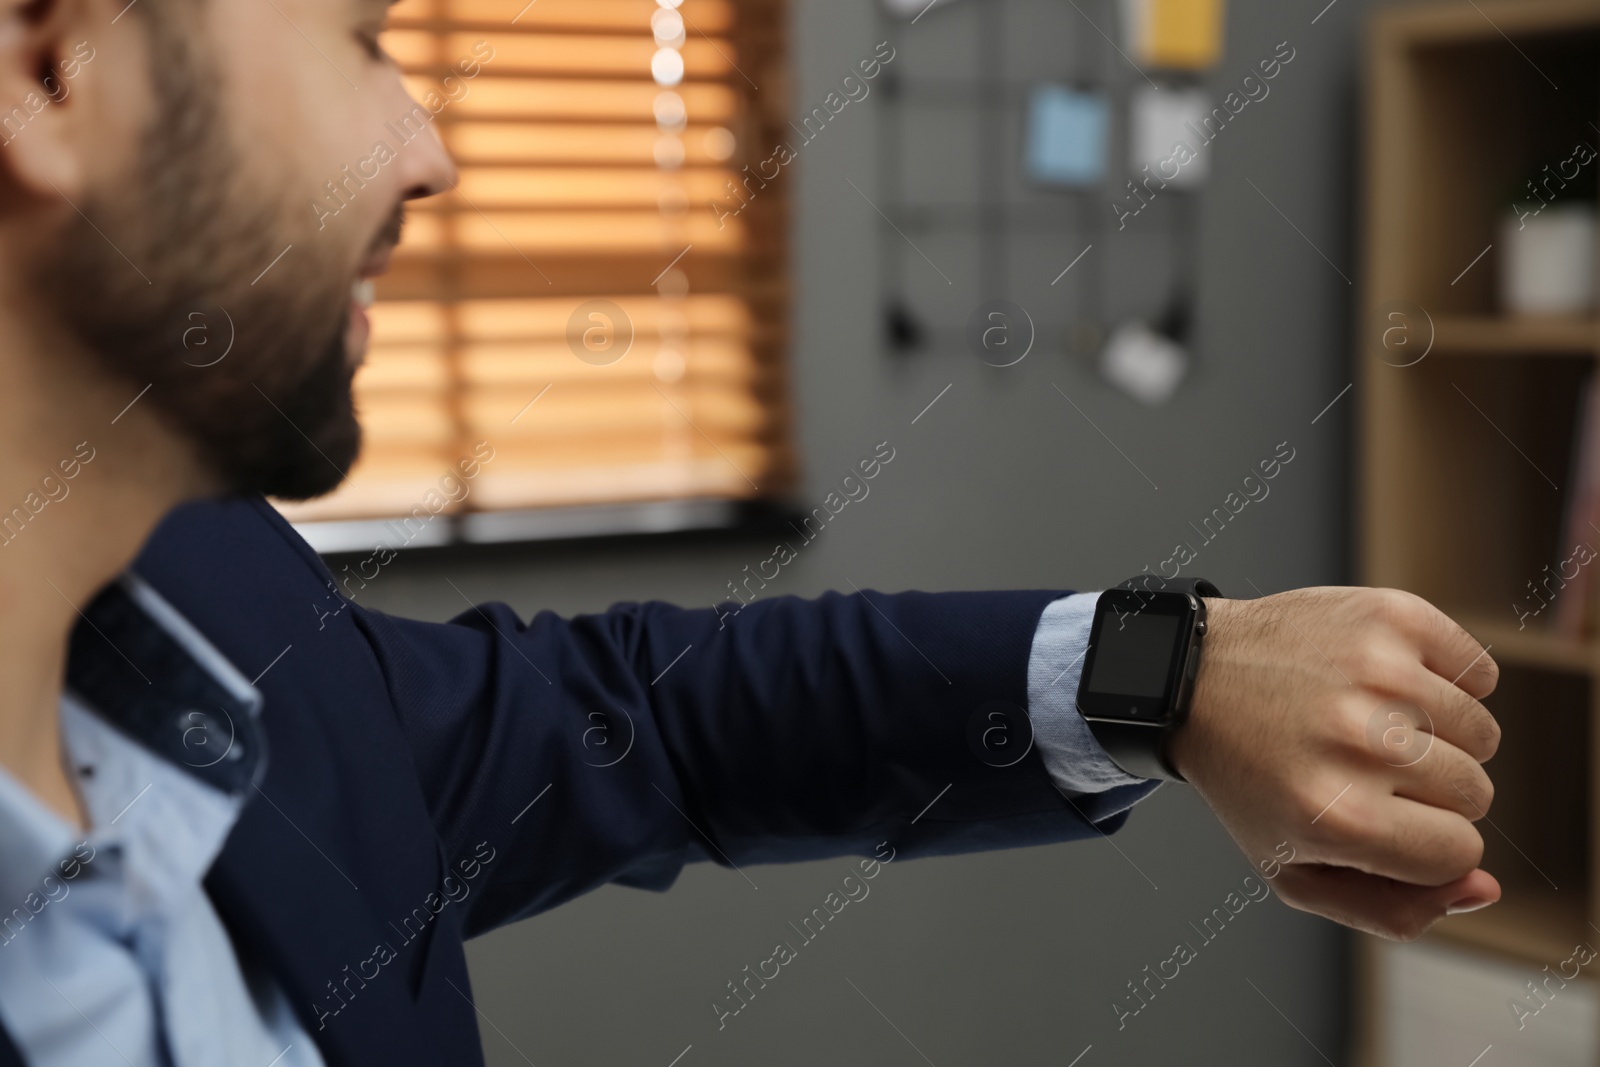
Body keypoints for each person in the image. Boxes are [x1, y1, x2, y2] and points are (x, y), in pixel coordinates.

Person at [0, 0, 1501, 1064]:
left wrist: (1173, 676)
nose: (427, 150)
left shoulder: (221, 594)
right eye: (361, 34)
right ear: (47, 62)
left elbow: (637, 724)